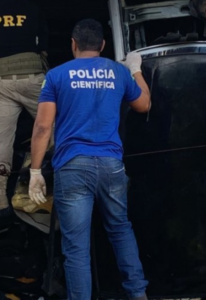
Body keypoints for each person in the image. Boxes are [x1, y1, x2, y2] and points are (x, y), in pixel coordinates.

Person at [28, 19, 151, 300]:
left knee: (76, 248)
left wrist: (35, 171)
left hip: (72, 168)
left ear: (73, 44)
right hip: (111, 166)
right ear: (103, 45)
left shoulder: (57, 76)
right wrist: (136, 69)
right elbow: (144, 104)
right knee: (120, 230)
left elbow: (43, 127)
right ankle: (138, 294)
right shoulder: (118, 72)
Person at [0, 0, 49, 210]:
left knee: (0, 140)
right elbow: (43, 44)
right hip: (34, 76)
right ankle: (56, 183)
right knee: (55, 128)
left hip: (1, 81)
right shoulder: (33, 7)